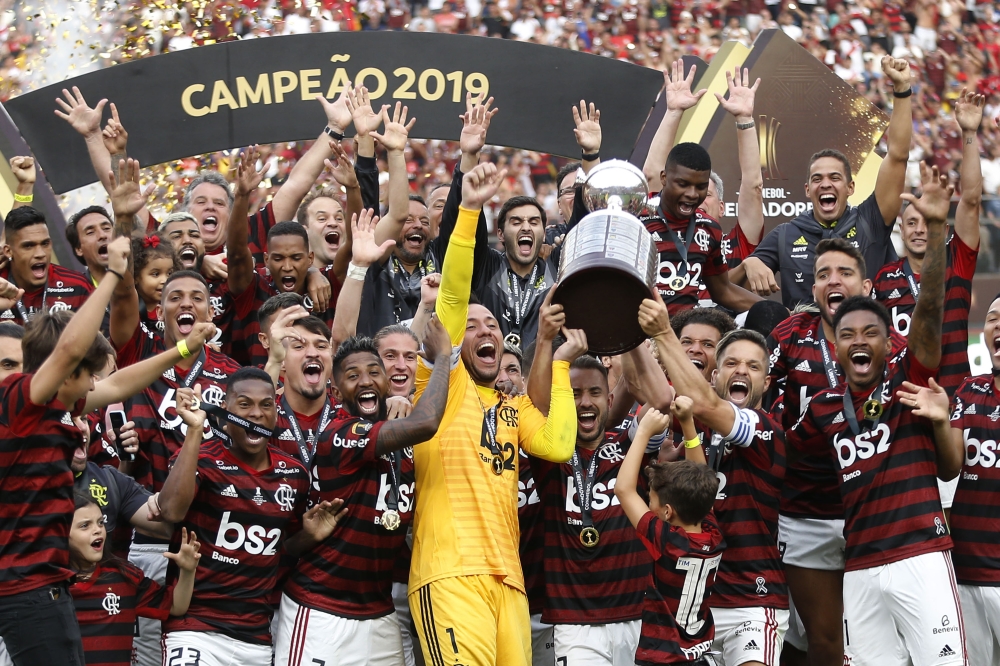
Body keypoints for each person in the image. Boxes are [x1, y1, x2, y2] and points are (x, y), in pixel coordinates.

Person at [0, 236, 213, 666]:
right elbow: (72, 348)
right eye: (87, 376)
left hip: (43, 584)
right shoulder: (17, 400)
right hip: (25, 587)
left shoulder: (51, 404)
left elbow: (119, 383)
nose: (96, 388)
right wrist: (115, 274)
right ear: (63, 372)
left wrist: (185, 349)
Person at [788, 163, 965, 666]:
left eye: (870, 333)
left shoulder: (909, 381)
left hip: (921, 556)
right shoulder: (822, 408)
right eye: (847, 335)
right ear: (836, 346)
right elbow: (785, 461)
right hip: (859, 566)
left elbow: (930, 311)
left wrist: (935, 232)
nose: (858, 340)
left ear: (891, 343)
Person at [406, 163, 580, 666]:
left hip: (510, 580)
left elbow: (557, 446)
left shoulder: (511, 405)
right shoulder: (444, 382)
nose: (484, 330)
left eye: (492, 325)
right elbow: (457, 292)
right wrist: (467, 211)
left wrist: (562, 369)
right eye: (472, 326)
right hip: (450, 573)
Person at [276, 320, 452, 664]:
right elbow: (427, 423)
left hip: (380, 612)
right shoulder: (341, 433)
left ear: (387, 382)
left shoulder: (401, 440)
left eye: (374, 372)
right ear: (337, 391)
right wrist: (443, 357)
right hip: (321, 608)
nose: (367, 380)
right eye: (353, 375)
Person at [765, 237, 905, 666]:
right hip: (806, 511)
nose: (832, 280)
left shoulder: (893, 346)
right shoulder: (787, 337)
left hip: (872, 514)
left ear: (864, 286)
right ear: (813, 289)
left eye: (843, 273)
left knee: (875, 643)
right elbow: (758, 409)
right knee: (825, 644)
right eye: (823, 274)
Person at [156, 368, 347, 665]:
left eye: (266, 405)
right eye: (244, 405)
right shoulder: (201, 458)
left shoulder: (294, 474)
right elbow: (170, 511)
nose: (256, 414)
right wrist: (194, 430)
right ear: (225, 411)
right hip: (195, 626)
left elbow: (280, 550)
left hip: (255, 635)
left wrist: (307, 537)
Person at [640, 295, 788, 666]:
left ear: (766, 382)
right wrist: (630, 338)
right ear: (715, 375)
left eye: (753, 366)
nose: (741, 371)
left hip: (751, 600)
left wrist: (663, 333)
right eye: (732, 363)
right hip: (693, 603)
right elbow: (653, 393)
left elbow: (706, 404)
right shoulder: (692, 426)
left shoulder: (765, 429)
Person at [739, 57, 914, 308]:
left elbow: (898, 156)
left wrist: (902, 90)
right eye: (817, 179)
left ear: (850, 187)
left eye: (835, 177)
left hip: (863, 340)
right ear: (808, 190)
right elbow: (727, 290)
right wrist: (749, 263)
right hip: (805, 345)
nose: (826, 184)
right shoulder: (786, 235)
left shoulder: (870, 222)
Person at [530, 352, 658, 664]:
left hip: (641, 613)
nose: (585, 402)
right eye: (574, 394)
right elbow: (536, 405)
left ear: (610, 398)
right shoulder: (549, 454)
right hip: (576, 623)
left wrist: (629, 339)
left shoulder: (631, 444)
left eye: (595, 392)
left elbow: (660, 400)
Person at [872, 89, 984, 397]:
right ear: (901, 230)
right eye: (911, 222)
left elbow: (971, 201)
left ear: (944, 228)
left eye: (926, 221)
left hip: (955, 398)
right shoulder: (884, 279)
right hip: (901, 399)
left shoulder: (957, 261)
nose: (919, 229)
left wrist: (970, 134)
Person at [356, 96, 496, 336]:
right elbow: (366, 210)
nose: (417, 226)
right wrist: (365, 142)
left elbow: (459, 219)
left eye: (423, 221)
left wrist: (469, 156)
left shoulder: (441, 256)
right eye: (408, 220)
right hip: (383, 365)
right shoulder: (377, 260)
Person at [614, 408, 724, 665]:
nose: (647, 505)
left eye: (650, 500)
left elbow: (623, 489)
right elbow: (701, 480)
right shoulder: (713, 534)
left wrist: (642, 432)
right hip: (697, 654)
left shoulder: (667, 541)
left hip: (662, 657)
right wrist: (687, 423)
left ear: (667, 511)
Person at [926, 294, 1000, 665]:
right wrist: (941, 420)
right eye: (992, 318)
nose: (997, 324)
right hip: (967, 571)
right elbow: (948, 468)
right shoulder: (969, 391)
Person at [642, 61, 766, 271]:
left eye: (705, 192)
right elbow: (652, 175)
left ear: (722, 207)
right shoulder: (654, 229)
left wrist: (744, 119)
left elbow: (753, 186)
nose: (693, 195)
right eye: (684, 186)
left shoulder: (735, 244)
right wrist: (673, 112)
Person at [225, 146, 340, 367]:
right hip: (265, 392)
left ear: (309, 258)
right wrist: (241, 196)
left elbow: (353, 251)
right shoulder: (255, 288)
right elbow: (237, 254)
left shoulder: (325, 285)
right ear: (266, 260)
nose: (287, 266)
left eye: (296, 258)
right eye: (279, 259)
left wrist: (353, 188)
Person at [68, 493, 199, 666]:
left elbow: (176, 606)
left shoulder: (124, 576)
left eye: (100, 522)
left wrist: (188, 570)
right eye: (85, 525)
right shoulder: (45, 584)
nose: (97, 529)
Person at [643, 142, 760, 314]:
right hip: (637, 330)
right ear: (663, 178)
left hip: (684, 334)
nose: (692, 194)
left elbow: (722, 290)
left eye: (701, 187)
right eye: (683, 184)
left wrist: (779, 310)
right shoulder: (636, 215)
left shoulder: (709, 228)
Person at [0, 207, 93, 324]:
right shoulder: (1, 285)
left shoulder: (78, 286)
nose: (40, 254)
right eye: (28, 246)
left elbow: (101, 340)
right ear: (8, 251)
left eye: (45, 243)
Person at [65, 206, 114, 288]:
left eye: (106, 228)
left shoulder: (139, 278)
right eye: (90, 232)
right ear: (78, 249)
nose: (102, 235)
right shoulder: (79, 296)